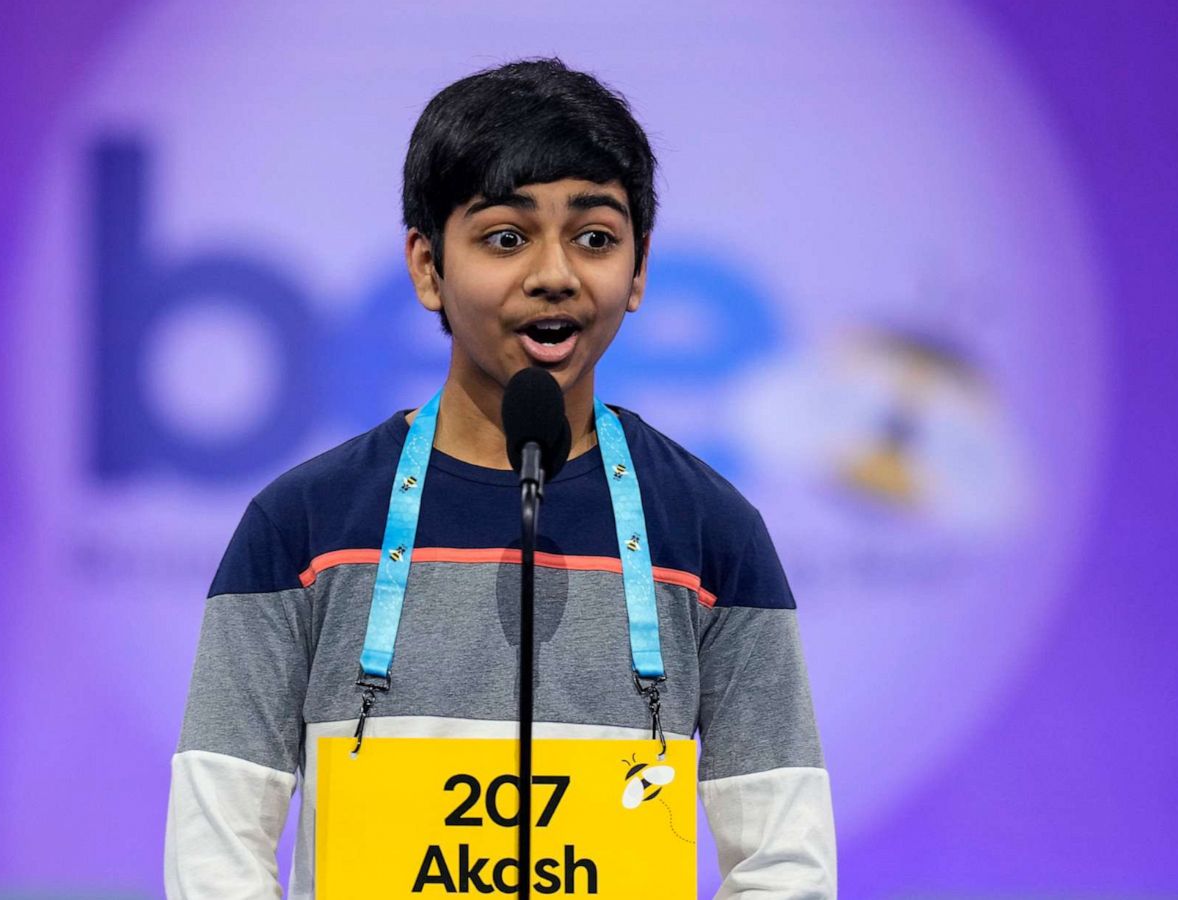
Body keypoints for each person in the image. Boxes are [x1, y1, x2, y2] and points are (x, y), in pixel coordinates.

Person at [164, 57, 836, 898]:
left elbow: (784, 862)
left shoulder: (708, 529)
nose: (554, 273)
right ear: (425, 266)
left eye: (595, 237)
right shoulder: (303, 527)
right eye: (505, 237)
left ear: (639, 270)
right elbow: (215, 848)